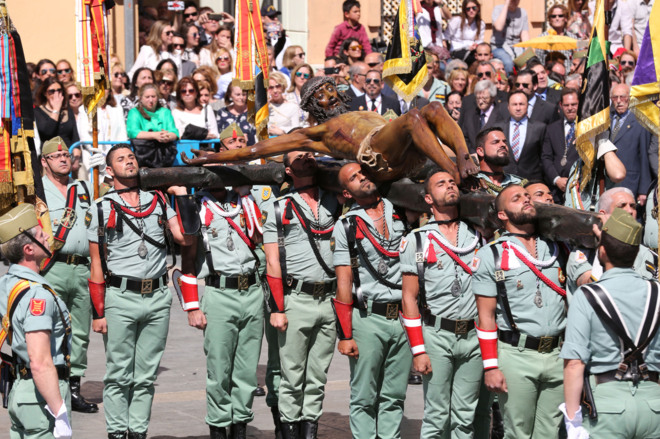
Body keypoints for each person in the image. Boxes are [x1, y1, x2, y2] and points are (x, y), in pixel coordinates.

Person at [184, 76, 479, 185]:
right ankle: (455, 175)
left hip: (403, 151)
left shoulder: (363, 109)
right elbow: (256, 150)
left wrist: (458, 152)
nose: (331, 95)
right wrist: (212, 158)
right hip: (377, 158)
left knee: (434, 109)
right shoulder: (314, 132)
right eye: (322, 95)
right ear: (314, 106)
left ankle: (464, 162)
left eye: (331, 89)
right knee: (414, 118)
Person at [86, 144, 193, 439]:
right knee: (119, 374)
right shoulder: (100, 207)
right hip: (120, 297)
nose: (128, 162)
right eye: (120, 159)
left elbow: (184, 237)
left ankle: (138, 432)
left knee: (146, 376)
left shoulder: (157, 200)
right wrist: (98, 312)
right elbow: (96, 264)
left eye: (131, 157)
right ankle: (117, 432)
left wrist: (182, 198)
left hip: (158, 296)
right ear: (109, 171)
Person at [473, 184, 567, 439]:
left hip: (558, 355)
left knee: (549, 433)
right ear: (502, 214)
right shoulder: (490, 254)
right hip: (517, 355)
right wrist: (491, 366)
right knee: (518, 433)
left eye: (528, 196)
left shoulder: (559, 249)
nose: (526, 200)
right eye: (516, 199)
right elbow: (486, 316)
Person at [559, 208, 660, 438]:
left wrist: (573, 421)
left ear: (602, 252)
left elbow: (574, 363)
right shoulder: (658, 291)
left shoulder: (587, 296)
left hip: (607, 407)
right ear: (636, 254)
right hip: (654, 405)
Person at [178, 175, 265, 439]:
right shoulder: (196, 208)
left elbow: (260, 236)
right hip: (220, 293)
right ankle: (218, 427)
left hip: (251, 292)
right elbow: (188, 259)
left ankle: (240, 427)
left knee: (248, 371)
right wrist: (192, 307)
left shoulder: (244, 203)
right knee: (219, 370)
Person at [400, 169, 483, 438]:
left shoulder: (478, 236)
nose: (449, 185)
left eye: (452, 182)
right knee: (436, 417)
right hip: (437, 334)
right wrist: (418, 350)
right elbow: (409, 297)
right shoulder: (417, 239)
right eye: (440, 183)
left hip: (473, 336)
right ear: (428, 199)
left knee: (465, 417)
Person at [331, 162, 412, 439]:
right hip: (368, 317)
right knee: (364, 395)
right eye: (353, 178)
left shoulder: (401, 207)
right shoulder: (347, 225)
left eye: (363, 172)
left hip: (402, 317)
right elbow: (344, 281)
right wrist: (345, 334)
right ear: (347, 193)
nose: (362, 177)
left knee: (394, 395)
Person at [263, 151, 340, 439]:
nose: (307, 158)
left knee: (317, 378)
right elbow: (272, 263)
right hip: (296, 299)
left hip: (328, 300)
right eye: (298, 157)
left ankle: (310, 433)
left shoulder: (333, 200)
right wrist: (277, 308)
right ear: (287, 171)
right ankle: (290, 432)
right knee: (292, 377)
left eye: (309, 155)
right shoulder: (278, 208)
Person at [39, 137, 104, 415]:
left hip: (83, 267)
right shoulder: (36, 191)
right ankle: (49, 388)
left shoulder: (85, 188)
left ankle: (73, 388)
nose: (64, 159)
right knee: (48, 329)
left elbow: (108, 206)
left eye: (67, 155)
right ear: (44, 162)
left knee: (79, 331)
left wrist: (107, 173)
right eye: (57, 156)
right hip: (51, 268)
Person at [0, 203, 73, 439]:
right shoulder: (37, 294)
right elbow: (40, 361)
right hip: (40, 396)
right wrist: (59, 412)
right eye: (43, 235)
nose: (48, 237)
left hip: (20, 391)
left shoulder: (6, 283)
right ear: (29, 249)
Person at [566, 187, 658, 292]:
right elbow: (591, 289)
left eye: (633, 206)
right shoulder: (583, 254)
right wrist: (605, 245)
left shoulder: (646, 254)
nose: (629, 211)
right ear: (603, 215)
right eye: (621, 206)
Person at [609, 83, 652, 203]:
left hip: (630, 183)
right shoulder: (607, 120)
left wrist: (643, 190)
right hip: (609, 184)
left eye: (623, 97)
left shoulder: (639, 122)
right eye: (615, 98)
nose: (619, 101)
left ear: (630, 98)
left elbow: (644, 156)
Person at [495, 90, 546, 181]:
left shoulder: (540, 128)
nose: (518, 108)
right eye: (514, 104)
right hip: (505, 180)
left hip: (531, 181)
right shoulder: (498, 128)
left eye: (521, 104)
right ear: (508, 107)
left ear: (528, 106)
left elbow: (544, 156)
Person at [541, 88, 580, 203]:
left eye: (574, 104)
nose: (570, 108)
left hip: (579, 190)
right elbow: (546, 157)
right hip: (556, 190)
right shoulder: (551, 128)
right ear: (561, 105)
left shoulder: (587, 128)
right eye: (566, 105)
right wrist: (556, 179)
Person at [472, 127, 527, 195]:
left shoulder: (520, 183)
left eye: (504, 142)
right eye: (495, 142)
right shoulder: (472, 183)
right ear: (481, 151)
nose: (503, 145)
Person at [34, 77, 80, 149]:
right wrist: (56, 109)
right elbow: (48, 132)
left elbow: (75, 137)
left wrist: (76, 153)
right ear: (45, 93)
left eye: (59, 90)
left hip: (69, 154)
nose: (56, 93)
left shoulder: (67, 110)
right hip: (50, 155)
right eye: (52, 91)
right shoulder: (38, 112)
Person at [460, 80, 505, 152]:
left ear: (492, 98)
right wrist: (473, 154)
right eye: (478, 98)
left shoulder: (501, 114)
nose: (480, 102)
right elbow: (464, 138)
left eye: (484, 98)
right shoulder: (470, 115)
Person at [490, 0, 530, 74]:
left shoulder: (522, 12)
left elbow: (524, 34)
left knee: (527, 61)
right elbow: (499, 27)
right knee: (508, 63)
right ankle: (508, 83)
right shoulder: (498, 9)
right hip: (499, 47)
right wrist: (506, 5)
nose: (514, 1)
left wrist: (528, 52)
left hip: (516, 47)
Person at [535, 5, 578, 71]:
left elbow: (577, 59)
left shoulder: (573, 38)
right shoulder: (542, 38)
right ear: (550, 20)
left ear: (566, 18)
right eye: (553, 16)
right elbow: (539, 61)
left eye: (560, 16)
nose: (557, 18)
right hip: (550, 76)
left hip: (568, 76)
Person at [444, 0, 485, 66]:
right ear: (464, 10)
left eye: (474, 8)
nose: (471, 10)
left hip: (472, 50)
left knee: (485, 57)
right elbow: (445, 37)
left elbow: (480, 41)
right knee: (475, 60)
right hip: (457, 50)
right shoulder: (456, 20)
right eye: (468, 9)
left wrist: (476, 46)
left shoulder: (481, 23)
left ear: (478, 8)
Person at [267, 72, 300, 136]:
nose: (275, 90)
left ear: (283, 87)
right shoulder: (265, 107)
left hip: (285, 142)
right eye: (271, 88)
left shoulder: (292, 107)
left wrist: (282, 132)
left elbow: (297, 131)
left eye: (278, 86)